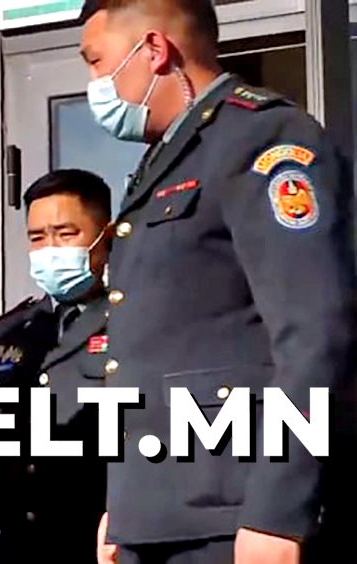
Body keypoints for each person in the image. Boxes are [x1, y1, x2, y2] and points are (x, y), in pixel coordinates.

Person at [79, 1, 357, 563]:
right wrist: (128, 507)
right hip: (163, 518)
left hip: (236, 517)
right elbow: (155, 351)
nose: (94, 84)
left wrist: (279, 511)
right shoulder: (168, 161)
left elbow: (315, 332)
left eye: (96, 61)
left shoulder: (260, 137)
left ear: (153, 50)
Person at [0, 169, 110, 562]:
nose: (50, 249)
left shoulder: (140, 321)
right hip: (16, 544)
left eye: (66, 234)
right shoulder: (7, 333)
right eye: (37, 237)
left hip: (99, 541)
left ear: (107, 235)